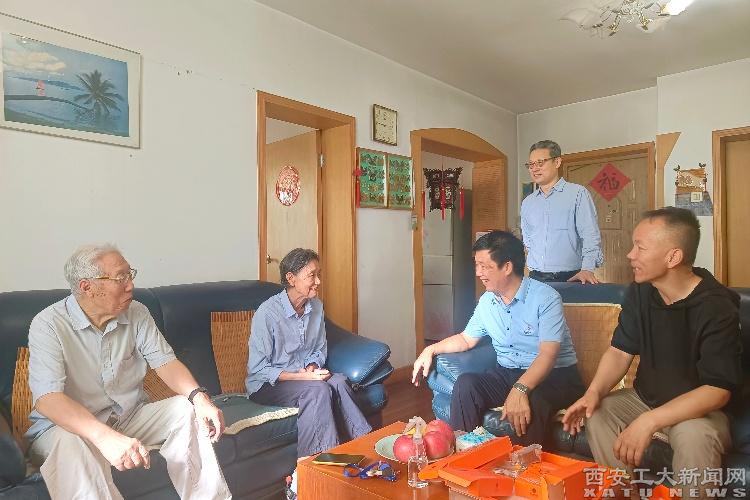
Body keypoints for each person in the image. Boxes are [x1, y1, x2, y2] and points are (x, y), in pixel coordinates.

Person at [562, 207, 742, 500]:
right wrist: (592, 393)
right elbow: (619, 352)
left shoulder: (717, 306)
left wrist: (649, 422)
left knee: (694, 437)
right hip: (645, 398)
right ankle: (624, 495)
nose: (630, 255)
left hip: (700, 412)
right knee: (599, 412)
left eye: (640, 247)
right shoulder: (641, 291)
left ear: (673, 257)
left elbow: (717, 391)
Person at [27, 244, 231, 500]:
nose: (130, 285)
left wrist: (199, 398)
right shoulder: (48, 324)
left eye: (130, 274)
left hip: (127, 418)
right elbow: (48, 399)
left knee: (186, 409)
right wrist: (104, 437)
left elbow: (165, 363)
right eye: (120, 278)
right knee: (70, 445)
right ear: (87, 287)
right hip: (67, 429)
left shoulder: (137, 312)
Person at [412, 231, 585, 446]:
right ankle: (465, 453)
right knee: (466, 385)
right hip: (507, 373)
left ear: (507, 267)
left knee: (533, 401)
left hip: (554, 376)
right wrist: (430, 349)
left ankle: (523, 464)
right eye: (477, 265)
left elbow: (548, 355)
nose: (478, 273)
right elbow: (466, 339)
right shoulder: (487, 301)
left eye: (485, 266)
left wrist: (520, 389)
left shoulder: (545, 298)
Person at [246, 248, 372, 496]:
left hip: (305, 378)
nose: (318, 281)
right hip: (267, 385)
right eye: (312, 275)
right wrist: (305, 376)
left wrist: (313, 366)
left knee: (339, 381)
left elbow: (318, 349)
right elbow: (259, 369)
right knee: (317, 390)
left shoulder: (316, 307)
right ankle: (307, 477)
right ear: (291, 278)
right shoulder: (267, 314)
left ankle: (363, 450)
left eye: (318, 274)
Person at [520, 140, 603, 284]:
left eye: (540, 163)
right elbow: (528, 241)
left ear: (557, 162)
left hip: (570, 277)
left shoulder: (577, 194)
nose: (534, 169)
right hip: (536, 277)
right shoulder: (528, 202)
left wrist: (587, 269)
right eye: (531, 164)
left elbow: (590, 235)